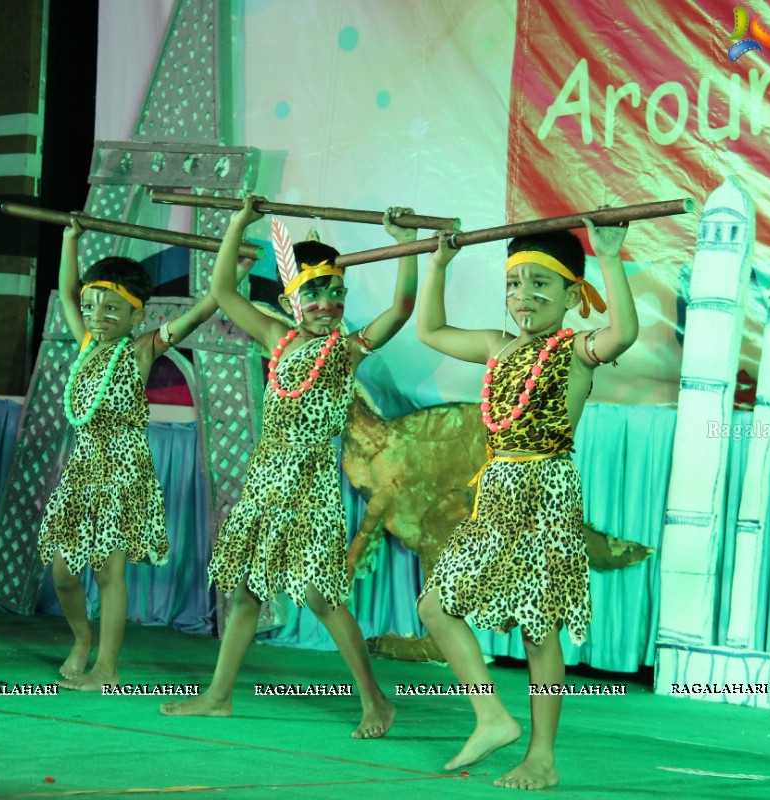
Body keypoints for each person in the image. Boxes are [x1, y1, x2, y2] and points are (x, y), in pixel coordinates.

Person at [161, 196, 418, 739]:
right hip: (266, 483)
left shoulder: (346, 350)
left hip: (309, 488)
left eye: (336, 292)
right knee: (250, 589)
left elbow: (401, 310)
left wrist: (405, 247)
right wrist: (237, 224)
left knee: (323, 597)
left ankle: (376, 701)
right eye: (315, 292)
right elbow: (224, 292)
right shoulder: (277, 340)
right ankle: (218, 696)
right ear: (290, 299)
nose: (327, 302)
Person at [415, 219, 638, 790]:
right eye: (515, 284)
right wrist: (437, 264)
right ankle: (492, 716)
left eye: (541, 285)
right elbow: (431, 330)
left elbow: (624, 334)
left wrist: (609, 257)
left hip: (546, 495)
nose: (524, 297)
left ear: (572, 295)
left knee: (540, 632)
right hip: (495, 495)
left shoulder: (579, 350)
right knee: (437, 607)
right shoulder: (497, 346)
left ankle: (542, 756)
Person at [38, 217, 244, 691]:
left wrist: (228, 271)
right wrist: (71, 240)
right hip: (83, 471)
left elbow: (203, 309)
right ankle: (82, 640)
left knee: (108, 570)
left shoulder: (142, 349)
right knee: (64, 573)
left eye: (112, 308)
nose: (97, 314)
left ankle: (107, 669)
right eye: (94, 306)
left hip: (123, 470)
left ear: (137, 316)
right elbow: (68, 291)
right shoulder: (88, 343)